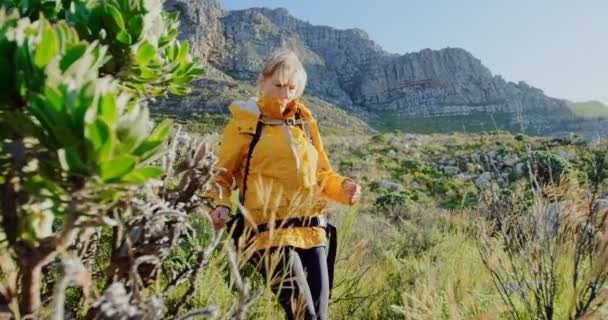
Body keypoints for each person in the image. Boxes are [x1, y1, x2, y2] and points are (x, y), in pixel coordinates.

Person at [206, 48, 361, 319]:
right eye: (278, 85)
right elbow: (221, 175)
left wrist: (344, 187)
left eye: (291, 87)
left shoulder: (304, 123)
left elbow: (322, 174)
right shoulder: (244, 123)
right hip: (268, 234)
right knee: (304, 316)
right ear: (261, 81)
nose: (285, 93)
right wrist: (220, 204)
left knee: (319, 317)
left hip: (312, 232)